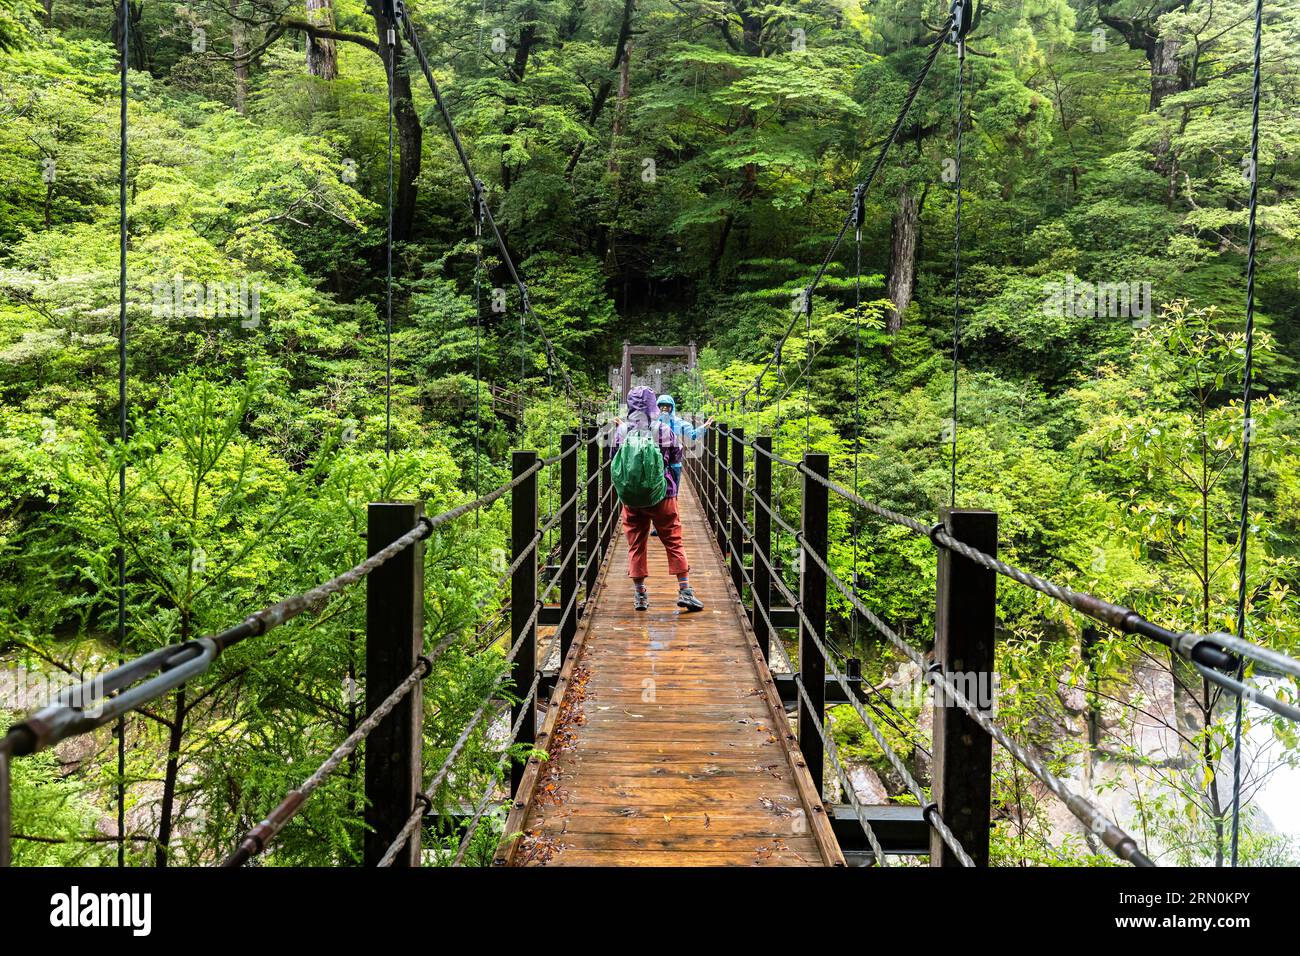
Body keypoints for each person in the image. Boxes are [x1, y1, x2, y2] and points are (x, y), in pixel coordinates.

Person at [611, 385, 704, 612]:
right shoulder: (662, 429)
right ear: (654, 404)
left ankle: (640, 596)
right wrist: (669, 484)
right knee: (673, 539)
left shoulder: (622, 432)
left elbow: (614, 461)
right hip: (662, 495)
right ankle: (685, 591)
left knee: (636, 545)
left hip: (632, 499)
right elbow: (676, 458)